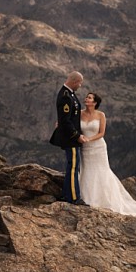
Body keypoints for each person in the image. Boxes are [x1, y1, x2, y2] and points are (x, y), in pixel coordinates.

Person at [78, 92, 136, 220]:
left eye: (89, 98)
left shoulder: (100, 115)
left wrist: (89, 139)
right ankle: (86, 197)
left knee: (101, 171)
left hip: (97, 147)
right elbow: (70, 121)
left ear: (95, 102)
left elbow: (102, 133)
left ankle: (104, 199)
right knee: (87, 170)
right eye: (86, 97)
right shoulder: (80, 113)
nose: (86, 99)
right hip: (85, 148)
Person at [50, 71, 87, 205]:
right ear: (74, 81)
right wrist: (76, 136)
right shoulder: (65, 96)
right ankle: (73, 198)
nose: (80, 85)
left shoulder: (69, 94)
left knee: (73, 167)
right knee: (73, 168)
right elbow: (66, 121)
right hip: (70, 139)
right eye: (80, 83)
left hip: (71, 138)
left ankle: (67, 194)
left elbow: (69, 116)